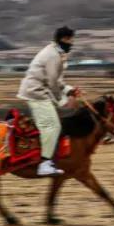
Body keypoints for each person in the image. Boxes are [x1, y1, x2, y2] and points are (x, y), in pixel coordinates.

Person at [17, 26, 81, 176]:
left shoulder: (56, 53)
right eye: (70, 40)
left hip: (39, 92)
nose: (72, 43)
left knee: (52, 125)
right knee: (52, 126)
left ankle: (47, 159)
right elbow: (53, 82)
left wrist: (69, 90)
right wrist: (62, 101)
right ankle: (44, 164)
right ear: (64, 39)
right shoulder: (53, 55)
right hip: (36, 93)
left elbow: (57, 81)